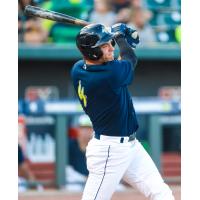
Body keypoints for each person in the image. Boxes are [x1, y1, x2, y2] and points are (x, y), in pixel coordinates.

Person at [71, 23, 174, 199]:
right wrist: (121, 38)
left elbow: (120, 60)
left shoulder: (79, 68)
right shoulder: (108, 76)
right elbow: (130, 60)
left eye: (110, 43)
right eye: (105, 46)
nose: (111, 48)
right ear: (92, 52)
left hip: (130, 146)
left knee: (161, 192)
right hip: (110, 150)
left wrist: (119, 39)